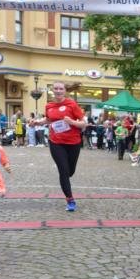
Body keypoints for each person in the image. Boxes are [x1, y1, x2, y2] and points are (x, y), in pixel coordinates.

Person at [36, 82, 87, 211]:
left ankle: (66, 179)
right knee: (63, 171)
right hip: (56, 142)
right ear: (52, 90)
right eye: (56, 89)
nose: (58, 91)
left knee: (70, 171)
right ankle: (70, 199)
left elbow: (83, 123)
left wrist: (72, 122)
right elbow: (49, 120)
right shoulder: (49, 106)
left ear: (65, 91)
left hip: (73, 143)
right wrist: (37, 122)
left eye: (61, 89)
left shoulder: (72, 104)